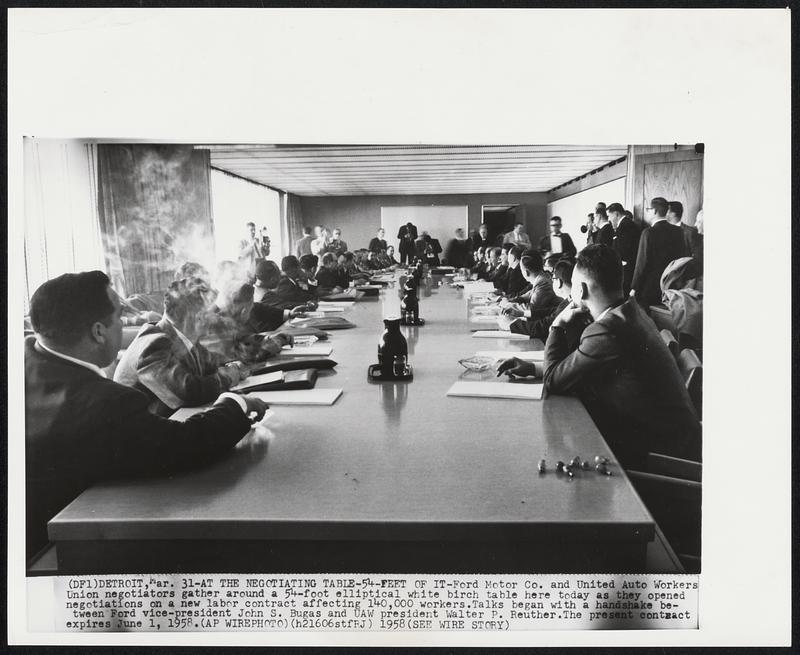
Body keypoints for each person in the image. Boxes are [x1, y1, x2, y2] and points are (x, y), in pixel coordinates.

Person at [25, 271, 267, 560]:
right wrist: (235, 404)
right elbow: (186, 445)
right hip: (60, 548)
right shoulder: (105, 404)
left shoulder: (24, 362)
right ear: (99, 332)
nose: (129, 319)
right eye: (120, 314)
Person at [500, 245, 701, 469]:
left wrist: (556, 326)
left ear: (582, 290)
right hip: (667, 441)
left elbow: (553, 381)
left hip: (658, 460)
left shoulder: (607, 329)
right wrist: (533, 368)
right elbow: (582, 364)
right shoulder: (630, 312)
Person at [114, 277, 249, 417]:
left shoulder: (181, 337)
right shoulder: (153, 345)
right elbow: (186, 392)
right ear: (198, 316)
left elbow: (212, 364)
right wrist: (228, 377)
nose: (216, 317)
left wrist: (234, 367)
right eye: (212, 312)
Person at [503, 259, 586, 341]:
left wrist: (512, 324)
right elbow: (551, 311)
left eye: (552, 278)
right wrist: (522, 313)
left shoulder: (572, 303)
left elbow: (543, 326)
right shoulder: (568, 300)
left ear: (558, 282)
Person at [631, 197, 689, 306]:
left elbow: (641, 264)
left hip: (649, 288)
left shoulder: (648, 232)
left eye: (648, 209)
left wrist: (634, 287)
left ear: (654, 211)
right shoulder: (679, 231)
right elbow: (682, 259)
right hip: (672, 287)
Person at [498, 251, 560, 331]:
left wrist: (511, 305)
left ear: (526, 272)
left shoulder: (543, 282)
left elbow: (533, 308)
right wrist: (510, 301)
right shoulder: (540, 279)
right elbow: (526, 296)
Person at [607, 203, 640, 296]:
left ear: (616, 214)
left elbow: (625, 251)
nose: (609, 219)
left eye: (610, 216)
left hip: (627, 271)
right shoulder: (626, 224)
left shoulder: (626, 226)